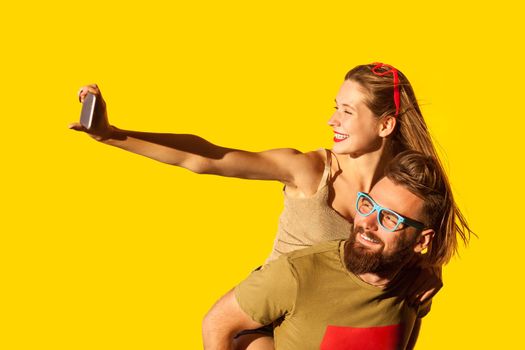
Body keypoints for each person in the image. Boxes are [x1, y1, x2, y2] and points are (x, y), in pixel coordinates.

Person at [70, 63, 471, 349]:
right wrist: (113, 135)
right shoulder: (310, 171)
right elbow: (208, 158)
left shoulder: (405, 189)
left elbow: (417, 247)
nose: (332, 120)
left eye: (347, 111)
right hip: (267, 329)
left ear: (385, 125)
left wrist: (428, 275)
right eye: (335, 106)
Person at [202, 150, 468, 350]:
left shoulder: (416, 287)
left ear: (422, 242)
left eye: (390, 219)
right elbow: (218, 322)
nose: (368, 223)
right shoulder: (298, 273)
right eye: (367, 205)